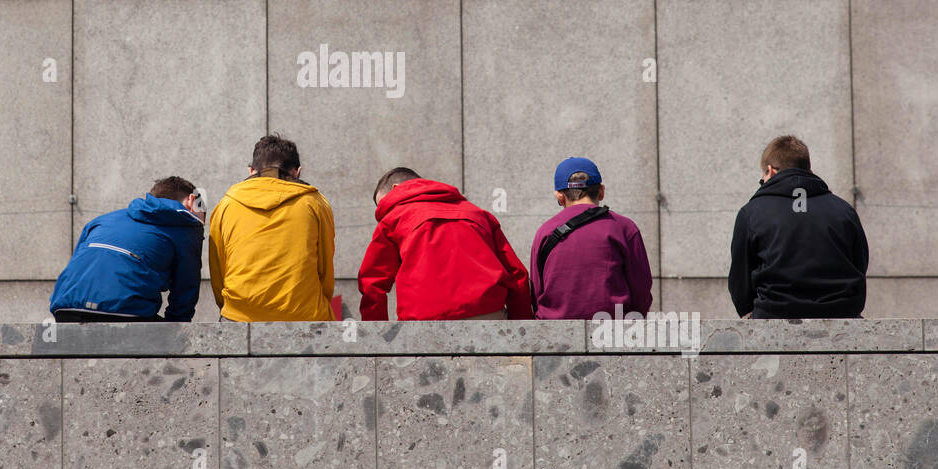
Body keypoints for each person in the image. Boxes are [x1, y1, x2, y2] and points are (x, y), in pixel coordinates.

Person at [358, 168, 532, 320]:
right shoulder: (479, 214)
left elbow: (372, 283)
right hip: (487, 316)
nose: (384, 212)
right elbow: (517, 274)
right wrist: (521, 326)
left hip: (423, 324)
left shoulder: (393, 219)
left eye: (384, 204)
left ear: (397, 189)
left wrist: (376, 337)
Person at [729, 135, 868, 319]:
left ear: (770, 171)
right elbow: (860, 263)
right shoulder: (844, 210)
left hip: (773, 315)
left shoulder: (751, 212)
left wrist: (750, 311)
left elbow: (740, 278)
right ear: (809, 170)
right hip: (842, 315)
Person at [208, 135, 335, 322]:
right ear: (297, 172)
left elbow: (218, 269)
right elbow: (325, 266)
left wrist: (229, 308)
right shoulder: (315, 204)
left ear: (251, 171)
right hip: (305, 316)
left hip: (238, 317)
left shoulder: (226, 205)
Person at [50, 176, 205, 322]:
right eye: (203, 213)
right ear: (192, 200)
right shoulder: (186, 226)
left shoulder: (102, 220)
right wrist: (176, 334)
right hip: (126, 313)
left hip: (65, 308)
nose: (203, 222)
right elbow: (185, 293)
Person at [529, 157, 652, 319]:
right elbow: (641, 289)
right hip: (612, 332)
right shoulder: (624, 228)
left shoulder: (545, 232)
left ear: (559, 196)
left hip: (556, 333)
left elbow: (536, 291)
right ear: (601, 192)